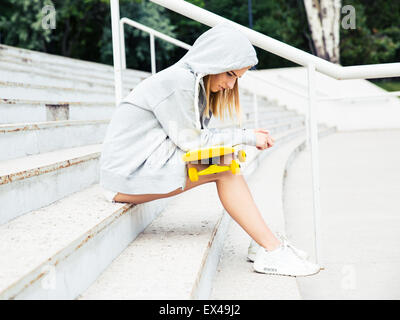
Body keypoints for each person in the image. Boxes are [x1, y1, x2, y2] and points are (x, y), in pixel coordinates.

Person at [100, 22, 320, 277]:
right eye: (230, 75)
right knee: (225, 168)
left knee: (226, 163)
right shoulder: (178, 82)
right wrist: (245, 137)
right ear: (214, 61)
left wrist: (238, 141)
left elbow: (198, 138)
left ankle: (265, 243)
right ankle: (270, 249)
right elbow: (193, 142)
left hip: (139, 168)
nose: (230, 85)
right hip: (125, 177)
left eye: (236, 78)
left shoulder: (191, 82)